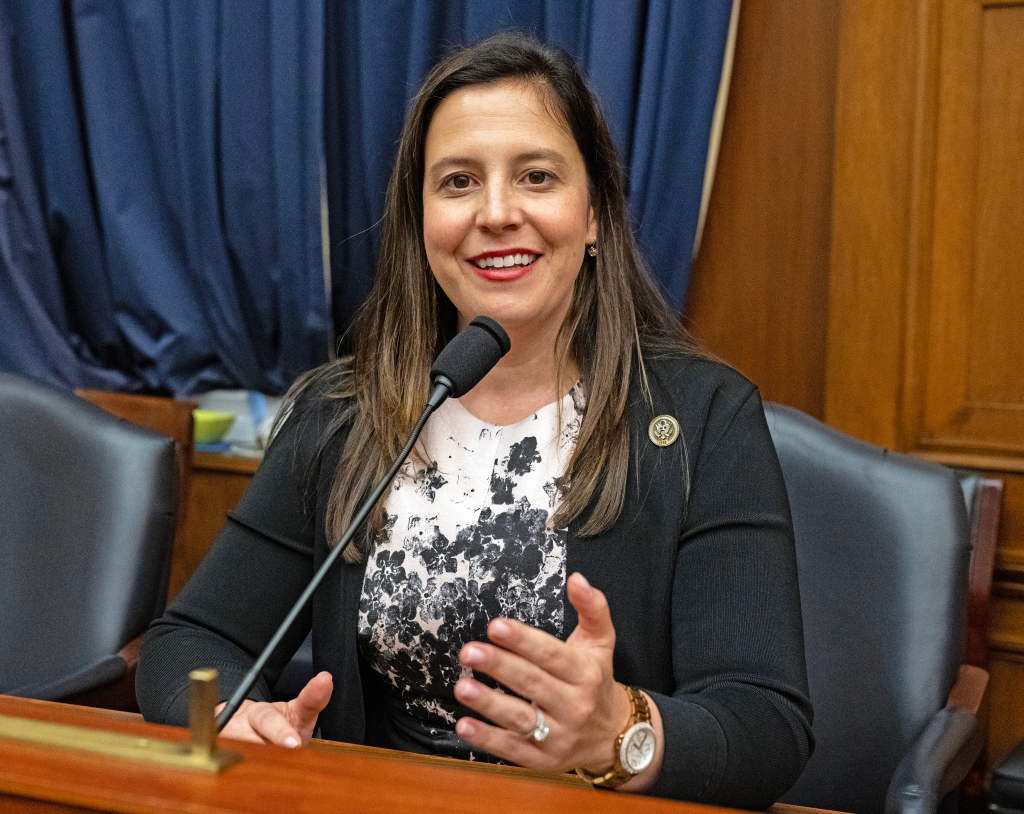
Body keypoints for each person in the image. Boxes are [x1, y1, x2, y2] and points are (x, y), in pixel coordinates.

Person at [137, 32, 812, 808]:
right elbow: (188, 643)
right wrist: (233, 717)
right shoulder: (343, 415)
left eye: (536, 176)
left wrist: (620, 734)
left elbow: (767, 726)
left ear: (593, 215)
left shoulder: (702, 420)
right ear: (420, 220)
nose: (496, 213)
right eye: (458, 182)